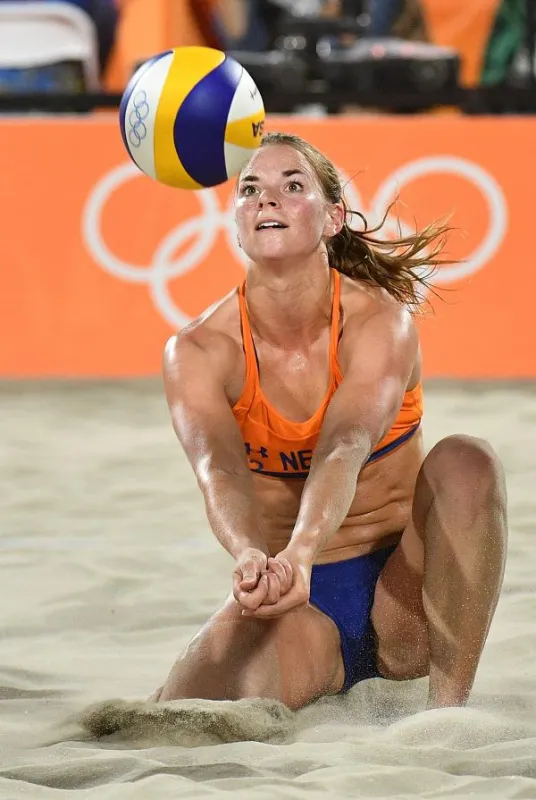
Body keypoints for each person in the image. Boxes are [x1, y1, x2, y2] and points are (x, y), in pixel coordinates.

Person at [150, 132, 508, 712]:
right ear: (236, 222)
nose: (267, 200)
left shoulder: (380, 323)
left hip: (403, 598)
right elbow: (218, 470)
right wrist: (248, 555)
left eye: (293, 186)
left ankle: (448, 712)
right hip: (296, 602)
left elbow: (347, 443)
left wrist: (302, 549)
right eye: (250, 190)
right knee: (173, 718)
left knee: (468, 460)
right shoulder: (197, 350)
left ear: (333, 217)